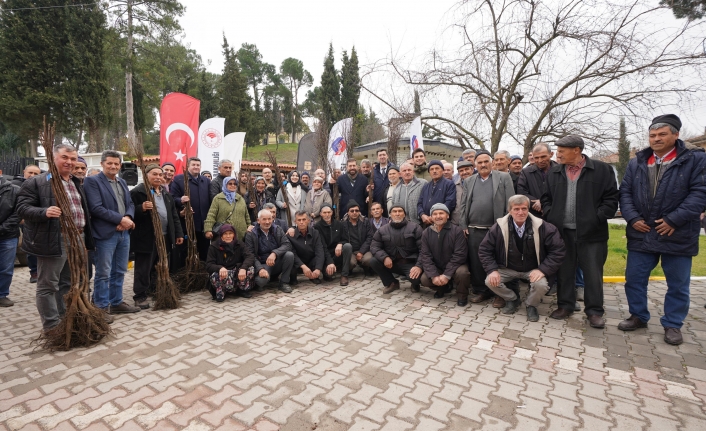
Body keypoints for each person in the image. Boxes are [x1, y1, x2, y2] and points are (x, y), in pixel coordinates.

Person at [618, 114, 706, 345]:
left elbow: (700, 194)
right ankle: (638, 315)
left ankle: (672, 324)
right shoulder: (637, 162)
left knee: (678, 284)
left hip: (677, 233)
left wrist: (673, 220)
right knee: (634, 279)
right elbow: (625, 192)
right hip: (641, 230)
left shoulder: (695, 159)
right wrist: (632, 217)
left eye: (662, 134)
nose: (656, 139)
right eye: (652, 135)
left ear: (676, 135)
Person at [16, 144, 105, 329]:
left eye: (73, 158)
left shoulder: (75, 181)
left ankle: (66, 319)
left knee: (69, 282)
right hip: (55, 238)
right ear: (53, 158)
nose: (70, 162)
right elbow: (22, 208)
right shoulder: (37, 182)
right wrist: (44, 211)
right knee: (48, 285)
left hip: (77, 238)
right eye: (65, 157)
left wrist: (86, 239)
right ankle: (52, 327)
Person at [541, 135, 618, 328]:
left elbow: (611, 200)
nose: (557, 154)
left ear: (577, 150)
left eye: (561, 151)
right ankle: (565, 306)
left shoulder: (602, 170)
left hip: (592, 233)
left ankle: (594, 312)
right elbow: (545, 199)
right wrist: (551, 215)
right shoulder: (555, 172)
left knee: (593, 274)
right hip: (562, 232)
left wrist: (596, 217)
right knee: (565, 272)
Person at [479, 195, 566, 321]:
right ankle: (512, 299)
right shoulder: (498, 227)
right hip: (508, 268)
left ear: (528, 209)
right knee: (489, 281)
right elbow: (484, 249)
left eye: (524, 208)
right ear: (510, 210)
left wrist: (542, 270)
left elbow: (558, 251)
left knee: (541, 285)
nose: (521, 212)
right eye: (516, 209)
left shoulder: (544, 227)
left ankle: (531, 305)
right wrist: (492, 270)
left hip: (533, 269)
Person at [83, 150, 139, 315]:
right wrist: (120, 220)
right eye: (110, 163)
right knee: (103, 272)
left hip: (123, 233)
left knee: (120, 270)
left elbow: (129, 203)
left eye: (116, 163)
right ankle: (100, 307)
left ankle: (116, 302)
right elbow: (96, 208)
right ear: (102, 164)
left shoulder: (121, 182)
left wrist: (127, 217)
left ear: (120, 165)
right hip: (105, 234)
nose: (113, 166)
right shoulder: (92, 182)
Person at [459, 150, 515, 307]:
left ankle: (499, 294)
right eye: (480, 162)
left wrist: (507, 225)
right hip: (474, 229)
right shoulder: (470, 180)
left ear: (492, 163)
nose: (483, 165)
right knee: (477, 262)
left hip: (496, 229)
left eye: (486, 162)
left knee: (497, 262)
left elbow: (511, 203)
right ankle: (481, 291)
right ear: (475, 165)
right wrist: (463, 224)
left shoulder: (503, 178)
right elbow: (463, 204)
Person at [129, 164, 184, 309]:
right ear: (146, 175)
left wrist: (178, 233)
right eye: (155, 174)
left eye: (160, 175)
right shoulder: (138, 192)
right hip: (147, 237)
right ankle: (140, 295)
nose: (158, 177)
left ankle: (155, 290)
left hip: (165, 236)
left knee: (160, 265)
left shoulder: (165, 193)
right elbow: (129, 212)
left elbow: (174, 216)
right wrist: (141, 208)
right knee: (143, 267)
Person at [419, 203, 470, 305]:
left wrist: (446, 275)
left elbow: (459, 255)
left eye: (441, 213)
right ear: (431, 217)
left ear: (447, 215)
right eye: (435, 214)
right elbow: (425, 256)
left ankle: (462, 295)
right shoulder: (426, 233)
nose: (438, 216)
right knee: (425, 279)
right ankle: (442, 288)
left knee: (463, 273)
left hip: (456, 266)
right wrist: (434, 275)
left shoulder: (457, 231)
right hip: (438, 266)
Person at [369, 205, 423, 294]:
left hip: (409, 263)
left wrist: (418, 266)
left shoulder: (415, 228)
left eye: (400, 211)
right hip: (391, 263)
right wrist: (385, 257)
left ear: (404, 214)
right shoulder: (382, 230)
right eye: (394, 211)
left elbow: (423, 249)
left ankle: (414, 284)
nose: (397, 214)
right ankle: (392, 282)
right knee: (374, 261)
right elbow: (374, 246)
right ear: (390, 214)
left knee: (416, 279)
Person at [170, 157, 212, 261]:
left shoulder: (206, 181)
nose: (196, 167)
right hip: (187, 224)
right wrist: (180, 200)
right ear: (188, 166)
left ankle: (202, 274)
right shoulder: (179, 179)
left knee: (204, 253)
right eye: (193, 165)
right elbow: (171, 198)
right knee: (185, 253)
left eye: (198, 165)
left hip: (203, 225)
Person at [244, 209, 294, 293]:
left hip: (276, 261)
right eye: (264, 219)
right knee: (260, 282)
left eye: (269, 219)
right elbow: (250, 254)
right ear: (258, 220)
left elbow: (287, 244)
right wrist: (260, 269)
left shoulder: (277, 229)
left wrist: (275, 253)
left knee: (289, 255)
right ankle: (268, 276)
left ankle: (284, 283)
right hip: (262, 264)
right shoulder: (251, 234)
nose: (267, 222)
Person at [206, 224, 255, 302]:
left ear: (234, 234)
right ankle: (221, 291)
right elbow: (208, 265)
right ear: (221, 235)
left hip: (236, 272)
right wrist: (219, 268)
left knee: (250, 269)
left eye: (230, 233)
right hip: (223, 274)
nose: (228, 236)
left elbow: (250, 256)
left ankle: (241, 290)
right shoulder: (214, 246)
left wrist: (243, 268)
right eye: (225, 234)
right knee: (215, 275)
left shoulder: (239, 244)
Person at [13, 164, 41, 283]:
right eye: (30, 172)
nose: (32, 175)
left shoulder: (42, 185)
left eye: (36, 174)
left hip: (40, 220)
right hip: (24, 222)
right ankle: (34, 272)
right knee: (30, 247)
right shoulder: (15, 185)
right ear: (24, 172)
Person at [204, 176, 251, 244]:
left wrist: (249, 226)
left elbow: (246, 215)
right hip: (223, 235)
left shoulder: (240, 198)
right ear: (225, 185)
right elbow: (211, 215)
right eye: (230, 184)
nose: (233, 185)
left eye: (235, 184)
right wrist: (208, 229)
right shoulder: (218, 198)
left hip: (240, 236)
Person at [517, 143, 556, 218]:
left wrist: (543, 203)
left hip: (555, 213)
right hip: (534, 215)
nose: (540, 160)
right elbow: (522, 192)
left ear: (551, 154)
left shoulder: (560, 171)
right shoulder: (526, 172)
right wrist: (535, 202)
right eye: (536, 158)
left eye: (543, 157)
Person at [287, 211, 326, 285]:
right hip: (297, 264)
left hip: (311, 261)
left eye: (304, 219)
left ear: (308, 220)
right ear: (295, 221)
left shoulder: (315, 233)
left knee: (318, 256)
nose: (301, 222)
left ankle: (314, 276)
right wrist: (303, 266)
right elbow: (293, 254)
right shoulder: (290, 236)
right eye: (299, 220)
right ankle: (293, 278)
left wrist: (318, 268)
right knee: (290, 256)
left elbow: (319, 251)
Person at [340, 200, 373, 284]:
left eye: (357, 210)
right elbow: (341, 238)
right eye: (352, 211)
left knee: (369, 259)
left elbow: (370, 237)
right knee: (350, 263)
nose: (354, 212)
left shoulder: (365, 222)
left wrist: (361, 252)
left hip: (364, 250)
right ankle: (349, 270)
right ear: (348, 212)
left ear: (359, 212)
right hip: (351, 251)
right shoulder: (343, 223)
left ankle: (366, 267)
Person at [0, 176, 20, 307]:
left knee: (6, 268)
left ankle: (2, 294)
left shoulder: (15, 190)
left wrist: (2, 228)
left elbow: (18, 213)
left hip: (8, 235)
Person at [417, 160, 456, 227]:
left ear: (442, 171)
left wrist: (435, 216)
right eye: (431, 169)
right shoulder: (426, 186)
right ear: (429, 172)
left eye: (437, 168)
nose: (434, 171)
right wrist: (422, 215)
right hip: (426, 223)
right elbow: (419, 203)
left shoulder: (449, 184)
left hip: (442, 223)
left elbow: (450, 203)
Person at [314, 205, 348, 282]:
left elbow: (345, 239)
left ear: (332, 213)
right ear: (321, 214)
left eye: (329, 212)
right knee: (328, 276)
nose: (327, 215)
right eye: (324, 213)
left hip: (337, 253)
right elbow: (322, 247)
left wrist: (340, 244)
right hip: (325, 256)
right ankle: (329, 269)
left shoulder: (339, 224)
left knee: (347, 246)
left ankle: (344, 275)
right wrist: (330, 262)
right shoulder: (317, 227)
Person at [451, 161, 473, 226]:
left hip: (473, 224)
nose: (464, 172)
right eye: (461, 171)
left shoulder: (479, 184)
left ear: (472, 170)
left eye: (467, 169)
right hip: (457, 223)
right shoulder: (454, 186)